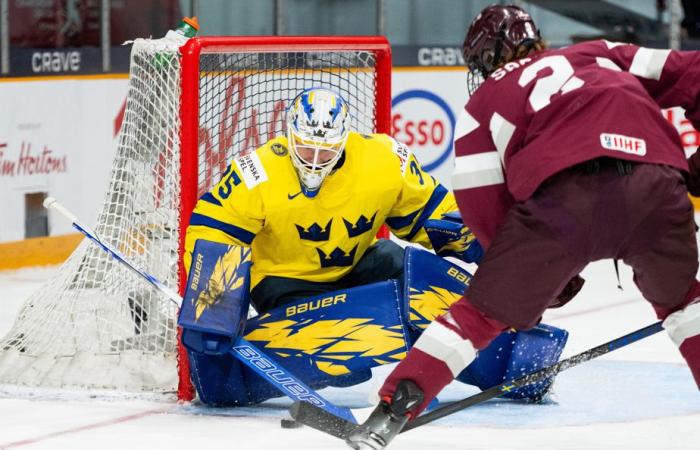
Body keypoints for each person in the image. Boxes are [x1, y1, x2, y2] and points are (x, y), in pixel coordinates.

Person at [347, 4, 700, 449]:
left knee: (477, 316)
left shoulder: (483, 103)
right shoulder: (599, 52)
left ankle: (388, 414)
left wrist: (534, 287)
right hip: (658, 189)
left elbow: (482, 208)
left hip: (565, 203)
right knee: (685, 305)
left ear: (488, 57)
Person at [179, 87, 567, 407]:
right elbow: (215, 230)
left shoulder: (383, 159)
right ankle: (227, 378)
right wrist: (212, 303)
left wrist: (490, 246)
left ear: (343, 141)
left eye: (325, 152)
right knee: (356, 332)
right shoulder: (256, 172)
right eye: (306, 149)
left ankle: (512, 359)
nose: (314, 162)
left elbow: (431, 212)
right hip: (285, 285)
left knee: (423, 279)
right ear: (289, 136)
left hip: (360, 265)